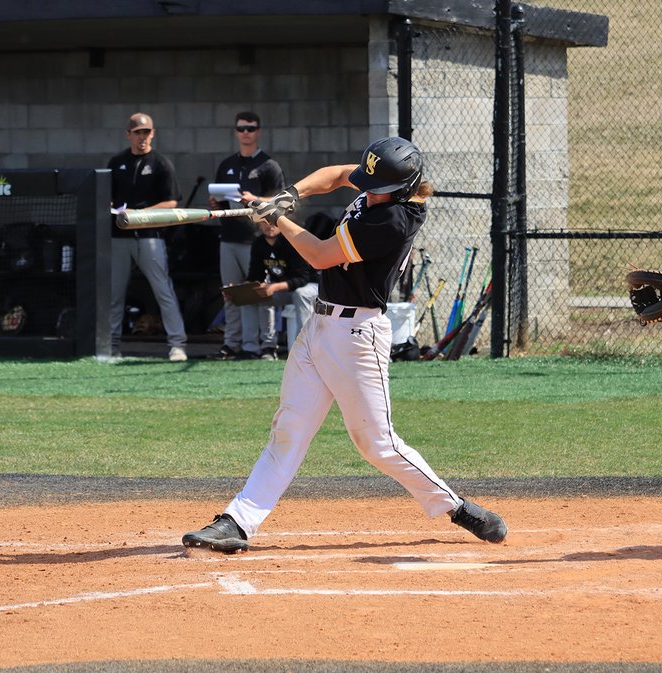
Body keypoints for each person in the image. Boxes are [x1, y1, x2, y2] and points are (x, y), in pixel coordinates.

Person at [182, 136, 507, 553]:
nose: (366, 191)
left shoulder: (392, 221)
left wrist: (277, 219)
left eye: (376, 187)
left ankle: (457, 507)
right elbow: (336, 176)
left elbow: (319, 255)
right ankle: (237, 522)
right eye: (367, 183)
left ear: (402, 189)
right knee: (288, 431)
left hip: (357, 338)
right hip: (318, 325)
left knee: (377, 444)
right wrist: (288, 195)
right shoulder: (381, 185)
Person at [107, 112, 187, 361]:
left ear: (152, 134)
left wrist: (139, 214)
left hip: (150, 235)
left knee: (163, 289)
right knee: (114, 293)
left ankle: (178, 344)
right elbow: (107, 196)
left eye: (146, 132)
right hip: (119, 235)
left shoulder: (161, 163)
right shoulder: (117, 162)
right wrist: (116, 209)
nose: (142, 137)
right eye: (137, 132)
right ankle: (110, 345)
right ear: (128, 134)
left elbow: (172, 201)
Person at [209, 112, 285, 359]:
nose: (245, 133)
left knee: (260, 293)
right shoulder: (227, 164)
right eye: (241, 128)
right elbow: (221, 207)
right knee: (231, 293)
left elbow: (282, 203)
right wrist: (215, 204)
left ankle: (267, 345)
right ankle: (232, 343)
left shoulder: (268, 165)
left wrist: (256, 200)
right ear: (235, 131)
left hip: (256, 239)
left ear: (258, 131)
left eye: (250, 128)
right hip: (229, 237)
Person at [238, 210, 318, 359]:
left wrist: (274, 287)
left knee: (301, 294)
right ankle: (261, 347)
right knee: (254, 296)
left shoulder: (292, 241)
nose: (269, 225)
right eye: (264, 221)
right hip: (284, 289)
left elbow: (303, 278)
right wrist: (240, 289)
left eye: (273, 221)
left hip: (310, 287)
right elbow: (256, 275)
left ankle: (303, 349)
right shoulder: (258, 243)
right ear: (258, 224)